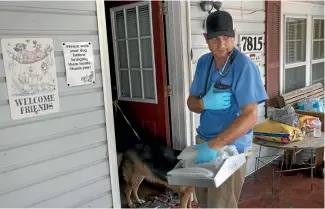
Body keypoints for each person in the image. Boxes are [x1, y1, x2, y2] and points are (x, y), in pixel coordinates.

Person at [187, 10, 268, 208]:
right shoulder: (204, 63)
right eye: (215, 38)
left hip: (229, 149)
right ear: (206, 38)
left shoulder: (244, 66)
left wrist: (214, 145)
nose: (222, 44)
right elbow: (191, 103)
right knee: (204, 201)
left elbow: (250, 116)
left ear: (234, 35)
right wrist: (205, 103)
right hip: (203, 143)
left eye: (227, 38)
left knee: (221, 205)